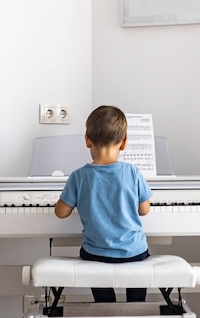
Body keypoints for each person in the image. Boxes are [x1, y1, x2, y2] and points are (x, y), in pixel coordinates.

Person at [54, 105, 153, 303]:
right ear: (124, 143)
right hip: (134, 252)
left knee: (99, 285)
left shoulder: (78, 176)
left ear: (87, 139)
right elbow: (144, 210)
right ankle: (137, 306)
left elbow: (61, 213)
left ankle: (105, 306)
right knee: (137, 285)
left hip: (96, 254)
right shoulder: (133, 173)